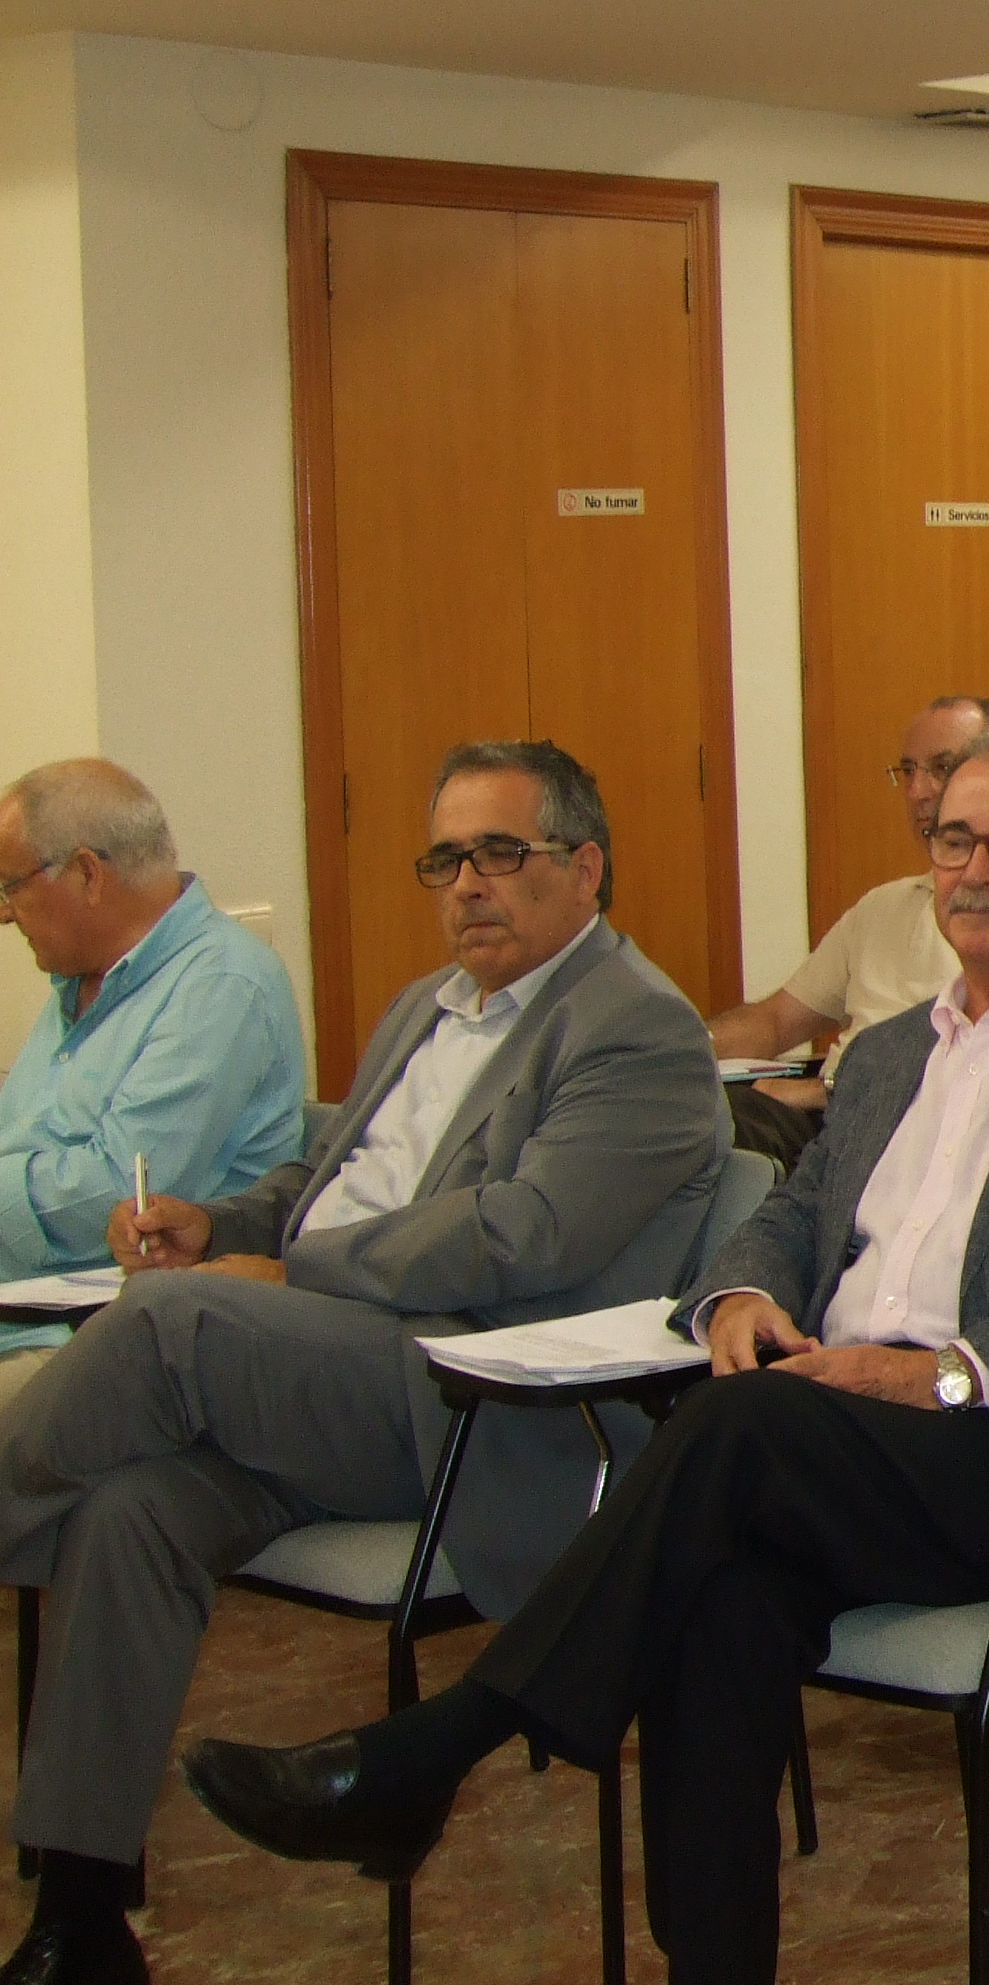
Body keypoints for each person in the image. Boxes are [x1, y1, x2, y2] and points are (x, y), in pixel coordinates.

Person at [182, 733, 989, 1985]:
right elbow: (787, 1214)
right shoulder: (879, 1058)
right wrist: (742, 1294)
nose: (974, 868)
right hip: (832, 1452)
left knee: (734, 1433)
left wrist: (946, 1373)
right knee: (717, 1602)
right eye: (952, 840)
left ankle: (434, 1752)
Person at [0, 742, 724, 1985]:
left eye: (503, 853)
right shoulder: (423, 1005)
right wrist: (217, 1227)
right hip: (331, 1383)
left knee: (170, 1326)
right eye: (446, 858)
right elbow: (326, 1182)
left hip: (470, 1405)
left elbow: (525, 1232)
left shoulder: (635, 1029)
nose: (468, 886)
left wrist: (286, 1278)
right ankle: (80, 1919)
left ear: (586, 867)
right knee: (133, 1509)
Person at [0, 761, 306, 1410]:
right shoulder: (77, 984)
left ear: (86, 873)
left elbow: (115, 1197)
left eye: (11, 885)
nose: (4, 913)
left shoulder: (220, 986)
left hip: (104, 1339)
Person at [703, 694, 989, 1165]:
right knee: (676, 1111)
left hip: (909, 1131)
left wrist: (827, 1089)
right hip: (829, 1120)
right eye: (908, 771)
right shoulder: (882, 908)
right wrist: (674, 1054)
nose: (918, 791)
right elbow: (774, 1022)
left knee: (715, 1127)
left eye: (941, 767)